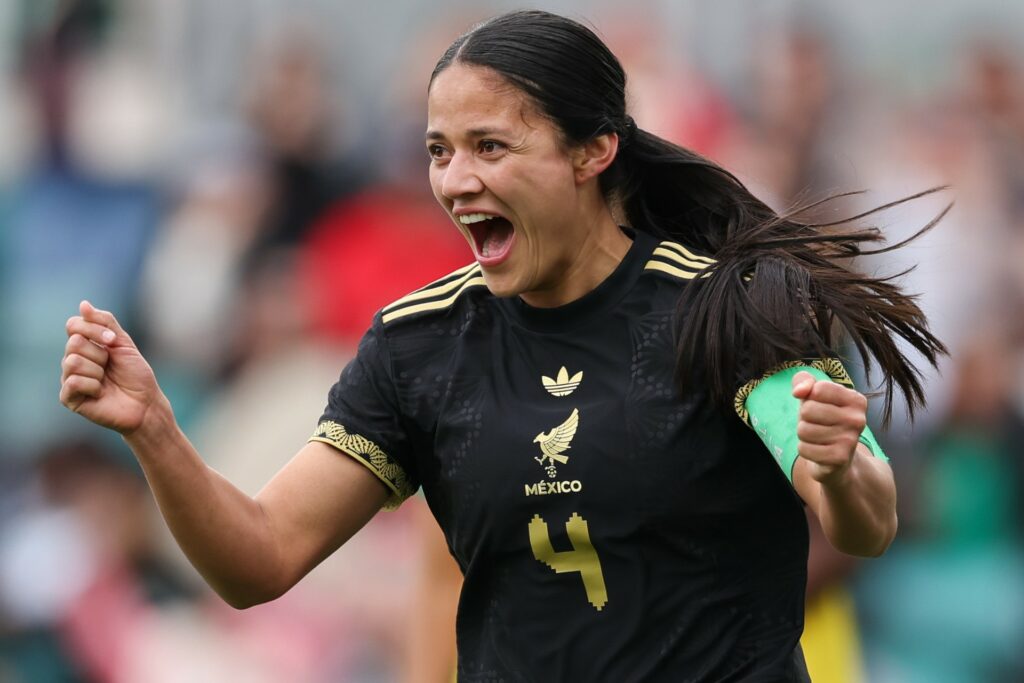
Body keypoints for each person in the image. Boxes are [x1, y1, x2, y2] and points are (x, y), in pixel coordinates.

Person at [59, 10, 945, 681]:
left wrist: (837, 468)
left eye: (491, 145)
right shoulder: (418, 346)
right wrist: (155, 431)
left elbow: (863, 525)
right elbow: (258, 560)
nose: (457, 179)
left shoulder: (730, 306)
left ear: (594, 149)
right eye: (440, 151)